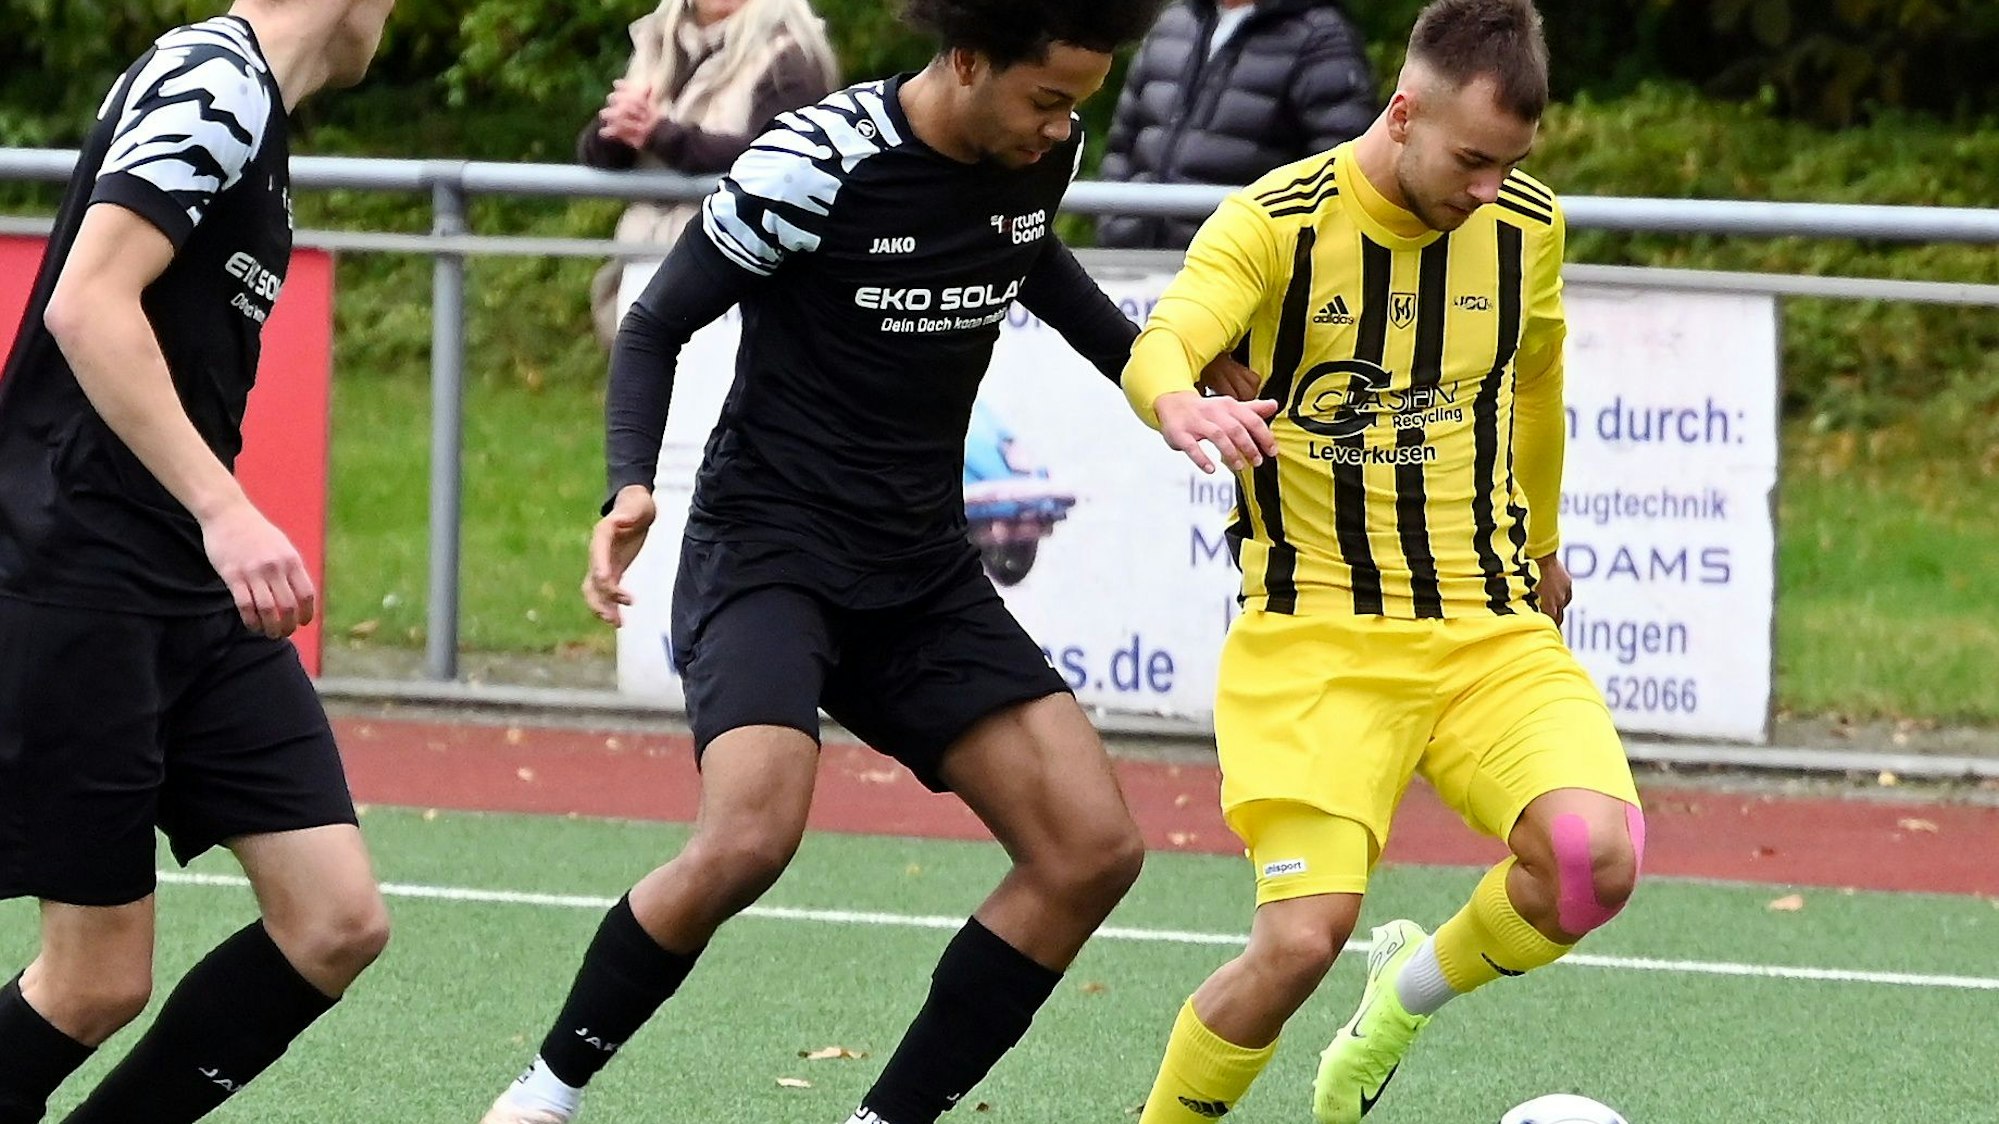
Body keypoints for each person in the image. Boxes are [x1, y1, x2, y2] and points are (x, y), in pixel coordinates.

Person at [479, 0, 1274, 1121]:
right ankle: (544, 1088)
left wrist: (1169, 386)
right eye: (1046, 99)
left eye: (1077, 107)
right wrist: (628, 483)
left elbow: (1028, 256)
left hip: (918, 568)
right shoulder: (813, 163)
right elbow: (658, 321)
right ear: (964, 57)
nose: (1061, 130)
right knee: (751, 832)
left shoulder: (1040, 148)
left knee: (1091, 848)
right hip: (772, 548)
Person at [1119, 2, 1644, 1120]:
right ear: (1401, 114)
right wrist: (1172, 397)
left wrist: (1542, 541)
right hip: (1314, 637)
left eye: (1510, 164)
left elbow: (1538, 376)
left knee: (1591, 860)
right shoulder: (1274, 223)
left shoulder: (1525, 227)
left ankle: (1400, 999)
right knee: (1298, 942)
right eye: (1469, 159)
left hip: (1486, 627)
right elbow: (1168, 333)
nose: (1487, 188)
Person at [0, 2, 397, 1122]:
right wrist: (229, 510)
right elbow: (88, 302)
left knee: (334, 919)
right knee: (94, 980)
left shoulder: (256, 111)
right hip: (82, 575)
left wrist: (212, 527)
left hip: (191, 590)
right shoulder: (213, 80)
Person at [579, 0, 841, 346]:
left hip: (736, 279)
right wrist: (617, 127)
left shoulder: (792, 57)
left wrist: (662, 136)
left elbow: (783, 161)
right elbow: (598, 156)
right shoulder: (659, 43)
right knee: (644, 398)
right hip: (647, 263)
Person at [1097, 0, 1376, 250]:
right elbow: (1123, 143)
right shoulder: (1173, 21)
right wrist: (1115, 223)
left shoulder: (1320, 37)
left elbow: (1338, 172)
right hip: (1133, 267)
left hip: (1236, 268)